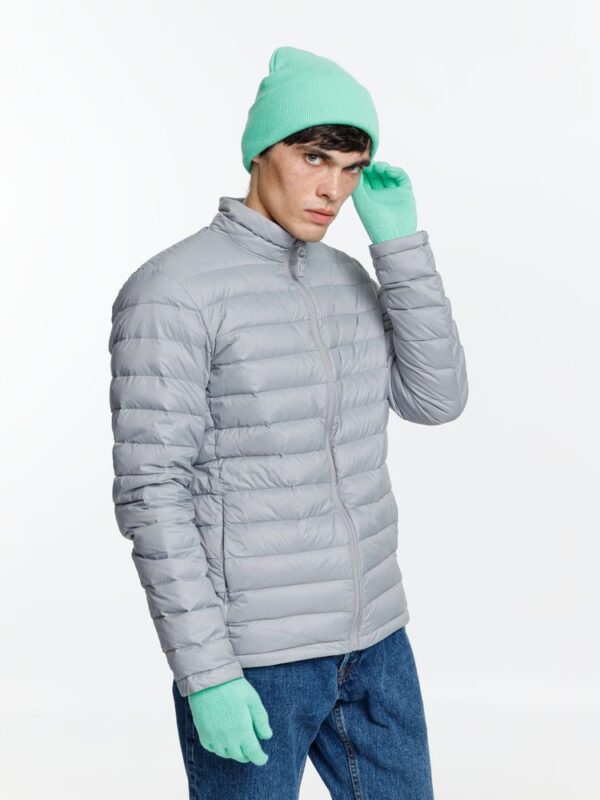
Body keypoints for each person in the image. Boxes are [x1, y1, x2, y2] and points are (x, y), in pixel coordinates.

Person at [108, 45, 468, 799]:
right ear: (259, 153)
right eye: (313, 158)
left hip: (376, 642)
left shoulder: (349, 278)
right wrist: (206, 673)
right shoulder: (172, 292)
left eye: (352, 168)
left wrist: (400, 248)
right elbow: (151, 493)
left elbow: (435, 401)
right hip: (255, 658)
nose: (333, 189)